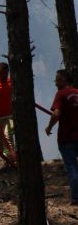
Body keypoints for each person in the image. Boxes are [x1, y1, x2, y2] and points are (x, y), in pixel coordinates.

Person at [45, 69, 78, 206]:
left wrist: (49, 127)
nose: (55, 83)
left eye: (57, 79)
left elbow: (56, 113)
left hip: (67, 138)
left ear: (64, 79)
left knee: (72, 168)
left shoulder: (61, 94)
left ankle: (76, 199)